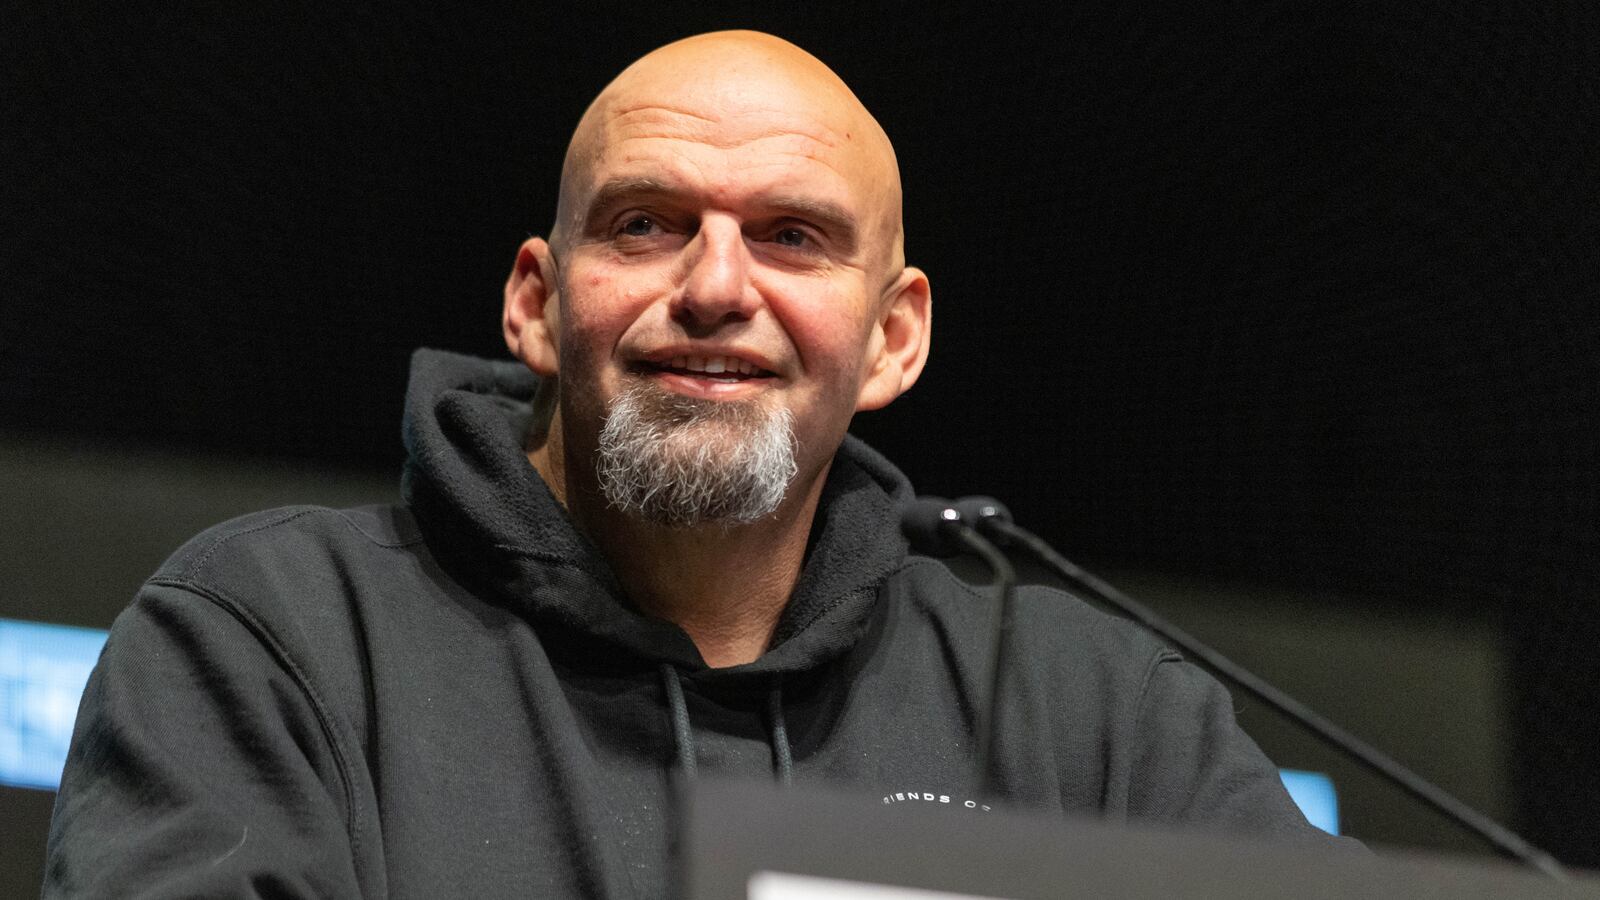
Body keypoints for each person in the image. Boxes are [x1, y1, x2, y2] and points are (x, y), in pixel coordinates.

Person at [45, 30, 1332, 899]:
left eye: (792, 236)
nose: (716, 288)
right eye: (647, 223)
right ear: (536, 303)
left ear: (893, 339)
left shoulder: (1097, 719)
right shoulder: (274, 640)